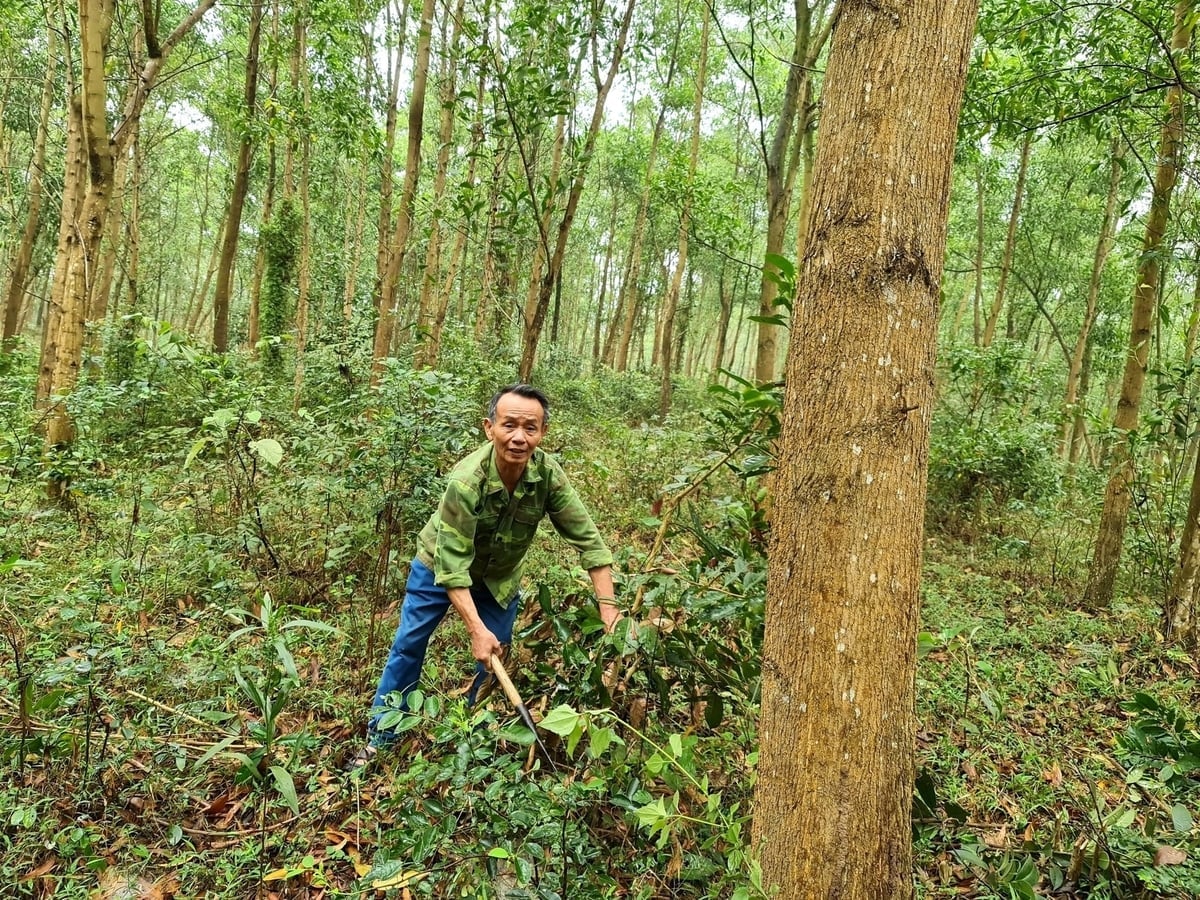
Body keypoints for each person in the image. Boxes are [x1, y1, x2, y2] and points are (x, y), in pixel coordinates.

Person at [349, 384, 619, 769]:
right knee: (410, 644)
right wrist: (474, 628)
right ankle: (381, 736)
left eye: (531, 428)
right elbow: (453, 566)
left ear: (543, 434)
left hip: (499, 578)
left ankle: (469, 732)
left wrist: (609, 611)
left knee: (494, 658)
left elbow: (589, 542)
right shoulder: (466, 480)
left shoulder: (547, 476)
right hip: (439, 566)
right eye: (509, 425)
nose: (519, 437)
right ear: (489, 427)